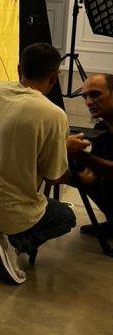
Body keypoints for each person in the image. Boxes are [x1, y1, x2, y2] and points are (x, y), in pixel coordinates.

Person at [0, 43, 81, 285]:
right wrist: (65, 147)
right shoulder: (53, 114)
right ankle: (11, 245)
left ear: (19, 68)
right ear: (54, 78)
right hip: (6, 213)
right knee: (65, 216)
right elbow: (53, 176)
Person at [72, 74, 113, 234]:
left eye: (95, 94)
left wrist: (80, 155)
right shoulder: (102, 127)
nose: (88, 102)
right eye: (85, 96)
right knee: (78, 168)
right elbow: (90, 173)